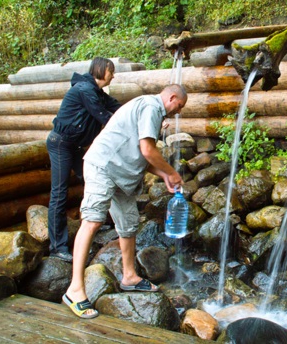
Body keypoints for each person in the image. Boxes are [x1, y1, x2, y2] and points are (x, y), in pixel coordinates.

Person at [63, 84, 187, 319]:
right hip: (104, 166)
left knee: (128, 225)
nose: (177, 112)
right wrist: (172, 172)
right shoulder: (151, 107)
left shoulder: (151, 109)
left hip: (123, 175)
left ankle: (129, 276)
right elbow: (148, 150)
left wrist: (163, 175)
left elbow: (142, 155)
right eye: (178, 106)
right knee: (92, 221)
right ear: (171, 97)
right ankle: (74, 290)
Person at [47, 57, 122, 263]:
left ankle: (95, 220)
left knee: (92, 181)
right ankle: (57, 247)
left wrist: (142, 113)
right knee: (59, 193)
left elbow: (118, 109)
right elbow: (104, 117)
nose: (113, 76)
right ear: (101, 70)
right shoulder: (85, 90)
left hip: (76, 146)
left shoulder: (97, 93)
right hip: (61, 143)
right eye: (111, 71)